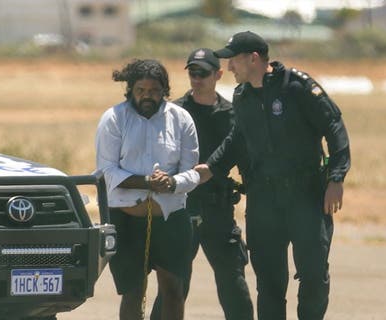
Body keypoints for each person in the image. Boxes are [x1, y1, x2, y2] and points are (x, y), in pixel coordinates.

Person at [194, 31, 351, 320]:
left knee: (314, 275)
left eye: (233, 61)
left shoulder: (297, 87)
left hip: (306, 195)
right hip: (264, 199)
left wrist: (336, 178)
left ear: (253, 58)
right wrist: (211, 168)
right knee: (268, 282)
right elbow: (238, 139)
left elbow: (335, 128)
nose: (228, 68)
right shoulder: (242, 96)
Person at [150, 48, 253, 320]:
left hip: (219, 208)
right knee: (175, 284)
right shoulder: (175, 112)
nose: (196, 79)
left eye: (203, 73)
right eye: (192, 73)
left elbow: (244, 155)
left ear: (218, 74)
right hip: (183, 207)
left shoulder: (232, 113)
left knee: (233, 281)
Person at [95, 58, 200, 320]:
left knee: (173, 290)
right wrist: (146, 183)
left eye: (153, 90)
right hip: (127, 220)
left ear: (164, 90)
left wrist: (172, 183)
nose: (146, 96)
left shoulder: (181, 119)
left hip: (170, 219)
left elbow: (192, 171)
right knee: (133, 292)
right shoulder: (114, 118)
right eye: (140, 90)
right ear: (130, 90)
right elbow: (106, 172)